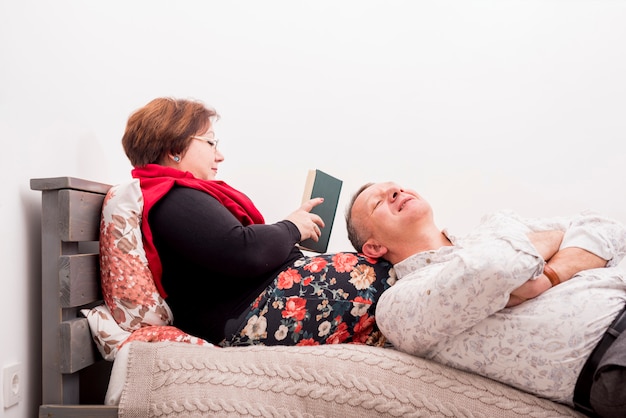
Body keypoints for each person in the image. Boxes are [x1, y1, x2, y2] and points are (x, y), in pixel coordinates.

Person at [120, 97, 392, 348]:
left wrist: (290, 228)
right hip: (246, 317)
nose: (219, 155)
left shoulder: (175, 195)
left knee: (386, 283)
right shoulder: (173, 199)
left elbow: (237, 247)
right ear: (175, 148)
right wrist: (291, 228)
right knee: (384, 277)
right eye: (210, 142)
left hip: (257, 305)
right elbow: (244, 250)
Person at [345, 181, 626, 415]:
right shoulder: (398, 304)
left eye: (397, 187)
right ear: (374, 246)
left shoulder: (493, 228)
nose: (395, 191)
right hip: (611, 354)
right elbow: (494, 269)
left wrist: (549, 275)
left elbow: (604, 227)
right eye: (378, 202)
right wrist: (557, 241)